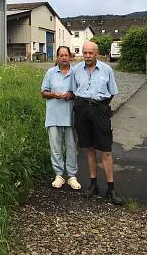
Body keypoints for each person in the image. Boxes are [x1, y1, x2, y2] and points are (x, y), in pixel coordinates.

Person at [71, 41, 122, 204]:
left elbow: (112, 92)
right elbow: (74, 90)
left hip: (100, 109)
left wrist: (101, 107)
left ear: (96, 53)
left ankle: (111, 188)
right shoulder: (76, 70)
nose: (87, 56)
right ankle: (93, 185)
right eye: (84, 53)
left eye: (90, 53)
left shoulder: (107, 69)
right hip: (82, 109)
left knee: (106, 150)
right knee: (89, 148)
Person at [41, 46, 81, 190]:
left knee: (71, 146)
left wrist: (71, 94)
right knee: (55, 147)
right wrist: (54, 94)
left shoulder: (76, 72)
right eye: (61, 55)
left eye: (66, 55)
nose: (64, 58)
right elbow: (43, 92)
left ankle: (72, 176)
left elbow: (81, 91)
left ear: (70, 56)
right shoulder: (51, 72)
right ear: (57, 57)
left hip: (70, 115)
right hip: (53, 115)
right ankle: (59, 175)